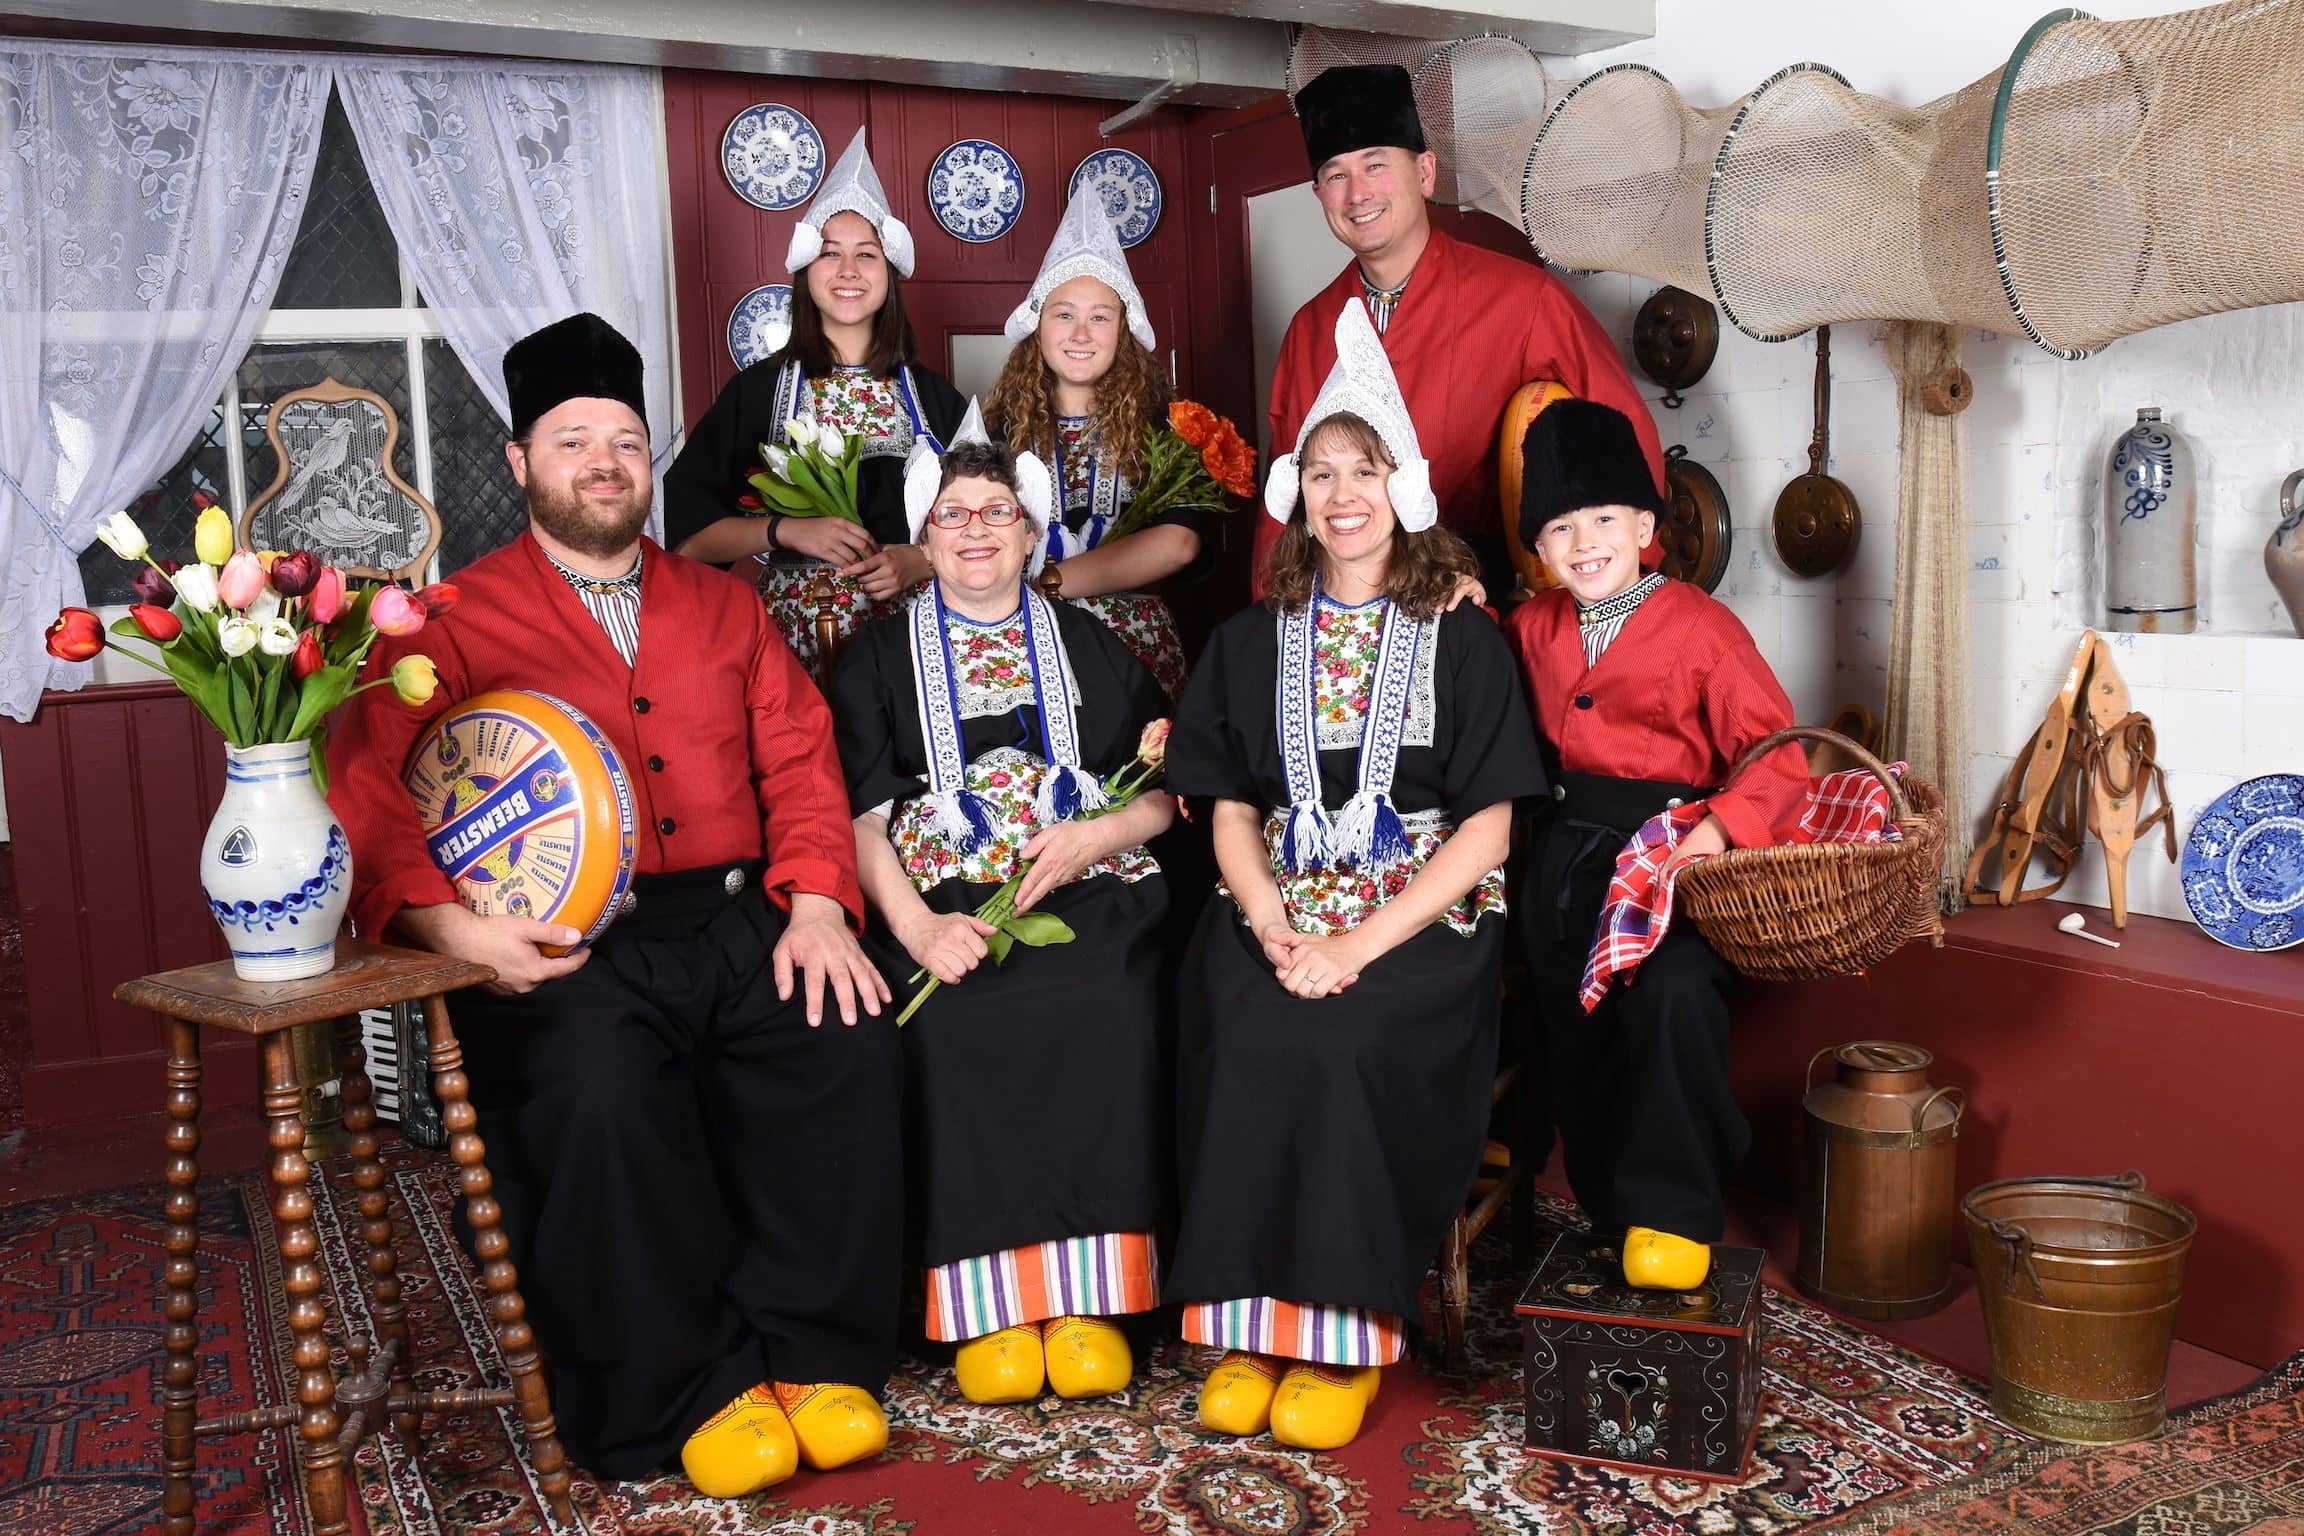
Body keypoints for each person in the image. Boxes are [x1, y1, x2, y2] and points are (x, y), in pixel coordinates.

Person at [326, 313, 905, 1499]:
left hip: (744, 918)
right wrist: (450, 927)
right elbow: (370, 790)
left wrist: (815, 906)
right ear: (521, 463)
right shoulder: (444, 624)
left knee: (838, 1036)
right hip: (561, 943)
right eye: (574, 439)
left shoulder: (727, 605)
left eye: (626, 441)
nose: (604, 461)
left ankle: (811, 1354)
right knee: (596, 1094)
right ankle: (683, 1388)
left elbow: (800, 761)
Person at [1163, 302, 1544, 1451]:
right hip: (1280, 902)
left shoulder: (1461, 634)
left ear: (1402, 490)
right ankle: (1243, 1318)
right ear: (1295, 495)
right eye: (1321, 473)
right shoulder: (1249, 639)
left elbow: (1491, 829)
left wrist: (1359, 945)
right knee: (1239, 1020)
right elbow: (1231, 808)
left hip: (1420, 914)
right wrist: (1276, 926)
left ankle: (1341, 1330)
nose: (1342, 496)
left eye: (1363, 471)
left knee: (1343, 1041)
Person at [828, 404, 1175, 1405]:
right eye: (952, 515)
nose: (975, 531)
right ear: (923, 538)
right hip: (938, 901)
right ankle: (989, 1306)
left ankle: (1092, 1298)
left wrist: (1096, 836)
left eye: (996, 512)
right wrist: (918, 927)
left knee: (1108, 1002)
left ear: (1031, 533)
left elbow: (1162, 790)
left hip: (1085, 884)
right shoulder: (879, 657)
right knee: (960, 1024)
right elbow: (856, 820)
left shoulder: (1091, 643)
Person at [1506, 398, 1808, 1290]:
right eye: (1559, 526)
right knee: (1573, 1025)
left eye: (1603, 518)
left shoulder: (1703, 629)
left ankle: (1673, 1214)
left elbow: (1778, 753)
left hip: (1670, 863)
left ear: (1645, 525)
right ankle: (1606, 1200)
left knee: (1671, 1002)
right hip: (1561, 866)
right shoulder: (1528, 629)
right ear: (1540, 547)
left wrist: (1719, 828)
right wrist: (1460, 602)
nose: (1584, 540)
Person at [1256, 62, 1665, 598]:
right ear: (1319, 196)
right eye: (1336, 175)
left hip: (1484, 596)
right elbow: (1282, 500)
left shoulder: (1523, 297)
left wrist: (1630, 599)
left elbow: (1625, 443)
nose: (1358, 193)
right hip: (1349, 605)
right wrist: (1270, 616)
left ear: (1425, 173)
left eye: (1376, 165)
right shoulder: (1310, 328)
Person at [662, 127, 968, 675]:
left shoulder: (936, 400)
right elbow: (688, 541)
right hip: (791, 649)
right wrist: (784, 529)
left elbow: (989, 524)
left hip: (916, 645)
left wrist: (919, 560)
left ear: (891, 275)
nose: (848, 271)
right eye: (830, 254)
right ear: (805, 272)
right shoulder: (756, 393)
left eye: (866, 255)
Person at [986, 186, 1210, 697]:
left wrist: (1047, 584)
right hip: (1025, 648)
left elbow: (1178, 543)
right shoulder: (998, 432)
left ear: (1123, 331)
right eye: (1064, 314)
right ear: (1038, 327)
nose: (1081, 333)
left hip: (1135, 651)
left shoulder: (1168, 427)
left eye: (1100, 317)